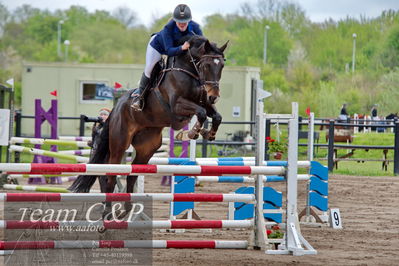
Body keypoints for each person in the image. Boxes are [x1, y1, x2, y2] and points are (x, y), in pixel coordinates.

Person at [131, 4, 203, 111]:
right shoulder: (168, 29)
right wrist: (182, 48)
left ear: (189, 20)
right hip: (158, 47)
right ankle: (140, 97)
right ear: (175, 20)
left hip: (177, 47)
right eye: (179, 22)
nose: (182, 24)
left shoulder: (195, 27)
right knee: (150, 68)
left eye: (185, 22)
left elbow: (202, 44)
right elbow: (169, 51)